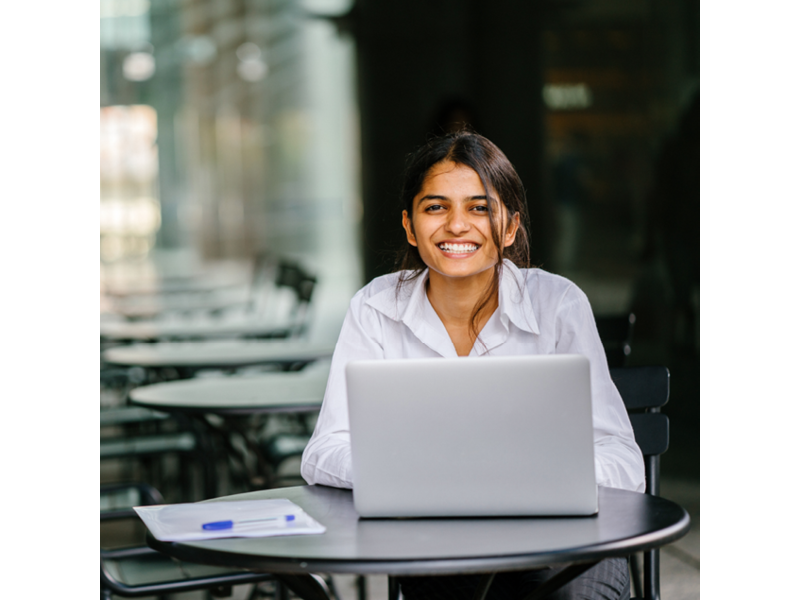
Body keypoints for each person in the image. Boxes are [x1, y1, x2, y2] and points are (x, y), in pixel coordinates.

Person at [302, 130, 645, 600]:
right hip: (438, 544)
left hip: (566, 544)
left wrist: (539, 478)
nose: (457, 225)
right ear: (409, 225)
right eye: (436, 207)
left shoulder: (558, 305)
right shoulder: (375, 308)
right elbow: (324, 451)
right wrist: (410, 476)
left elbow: (624, 461)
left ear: (509, 227)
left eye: (479, 207)